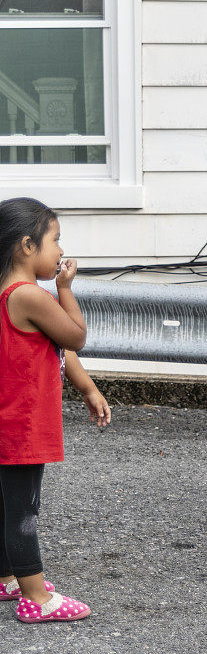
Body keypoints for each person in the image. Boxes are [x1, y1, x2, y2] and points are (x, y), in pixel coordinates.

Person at [0, 197, 111, 623]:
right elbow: (75, 336)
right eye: (55, 240)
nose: (62, 251)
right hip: (23, 424)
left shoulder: (9, 292)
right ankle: (35, 597)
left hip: (8, 420)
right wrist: (65, 289)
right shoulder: (30, 295)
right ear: (27, 246)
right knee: (24, 509)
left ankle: (7, 576)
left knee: (8, 505)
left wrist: (85, 386)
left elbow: (57, 347)